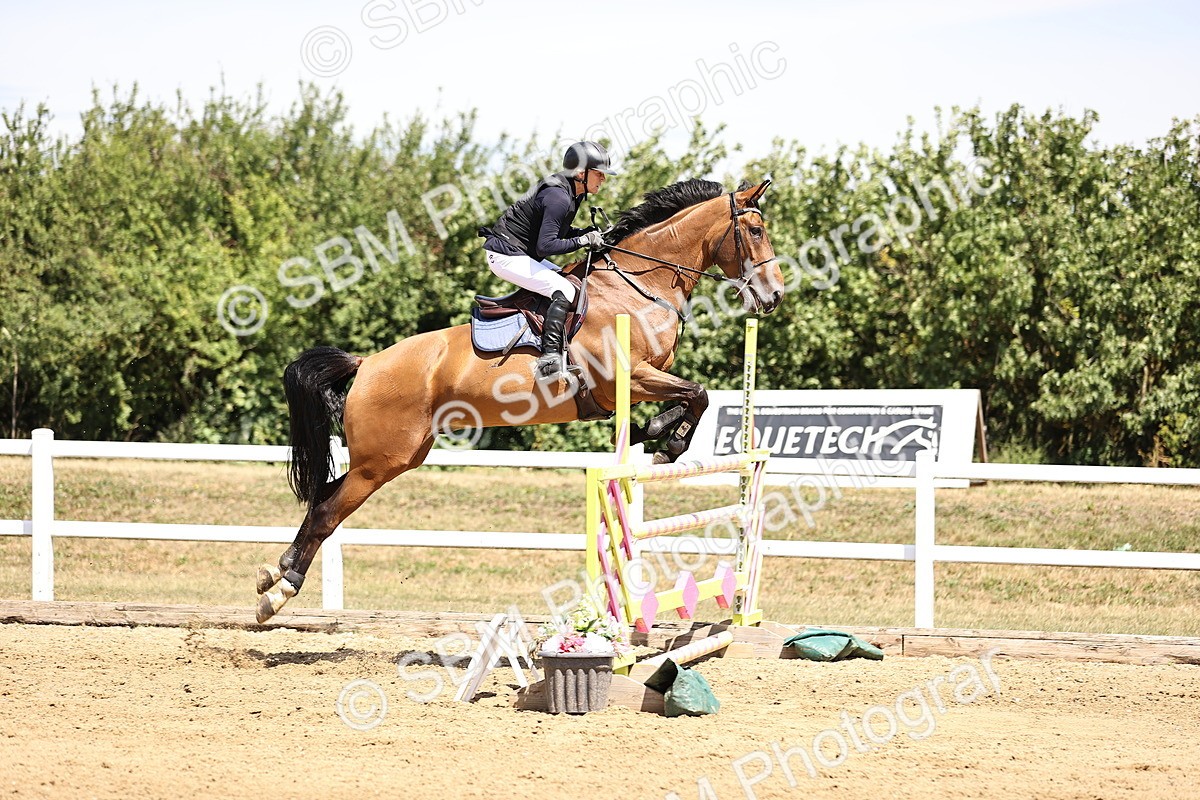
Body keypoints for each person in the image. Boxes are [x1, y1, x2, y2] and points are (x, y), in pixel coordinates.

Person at [479, 140, 617, 378]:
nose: (603, 179)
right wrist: (584, 241)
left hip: (521, 252)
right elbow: (546, 246)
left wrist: (586, 234)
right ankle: (549, 359)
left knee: (569, 278)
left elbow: (557, 233)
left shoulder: (572, 193)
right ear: (581, 173)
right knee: (565, 290)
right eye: (599, 174)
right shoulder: (559, 197)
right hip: (506, 255)